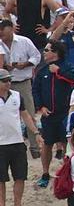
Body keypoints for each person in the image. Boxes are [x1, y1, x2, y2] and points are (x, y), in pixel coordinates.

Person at [32, 40, 74, 188]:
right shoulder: (42, 70)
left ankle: (68, 173)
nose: (44, 52)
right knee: (47, 144)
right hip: (48, 115)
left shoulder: (67, 66)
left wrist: (58, 72)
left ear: (55, 52)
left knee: (68, 143)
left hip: (65, 114)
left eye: (47, 50)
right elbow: (35, 90)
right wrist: (40, 106)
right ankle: (45, 173)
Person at [0, 68, 38, 206]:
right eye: (4, 81)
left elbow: (25, 115)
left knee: (20, 176)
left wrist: (35, 133)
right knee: (1, 179)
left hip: (17, 142)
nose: (8, 83)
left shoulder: (17, 96)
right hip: (0, 144)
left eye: (9, 80)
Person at [0, 19, 40, 156]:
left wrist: (26, 64)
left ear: (11, 29)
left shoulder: (24, 41)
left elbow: (36, 56)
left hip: (23, 81)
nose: (1, 34)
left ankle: (34, 145)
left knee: (28, 113)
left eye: (3, 31)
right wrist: (6, 67)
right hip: (4, 83)